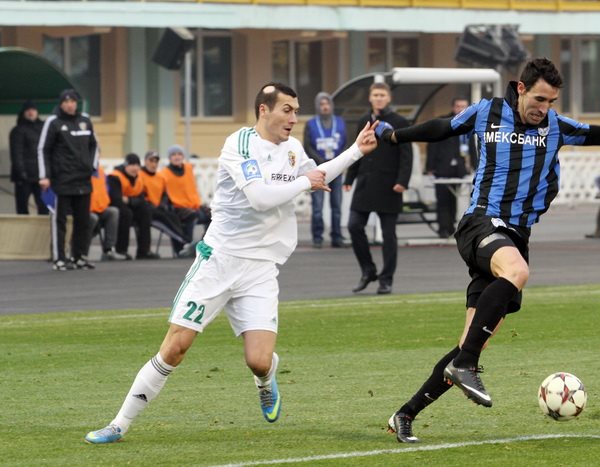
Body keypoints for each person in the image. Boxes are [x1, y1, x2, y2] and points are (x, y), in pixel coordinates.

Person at [84, 82, 379, 444]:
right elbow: (260, 198)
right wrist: (304, 182)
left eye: (296, 110)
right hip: (219, 261)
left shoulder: (292, 149)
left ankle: (265, 380)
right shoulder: (240, 144)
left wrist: (356, 151)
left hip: (261, 268)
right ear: (264, 110)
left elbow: (316, 175)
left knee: (259, 360)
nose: (293, 118)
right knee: (175, 348)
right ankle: (118, 424)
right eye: (287, 110)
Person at [374, 58, 600, 443]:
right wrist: (393, 136)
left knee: (471, 341)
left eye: (550, 101)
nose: (544, 108)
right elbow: (440, 128)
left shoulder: (555, 126)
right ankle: (467, 366)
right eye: (539, 99)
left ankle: (406, 413)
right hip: (481, 223)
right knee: (517, 274)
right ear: (521, 88)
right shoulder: (487, 112)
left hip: (516, 237)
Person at [343, 82, 412, 295]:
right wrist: (350, 177)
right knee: (354, 226)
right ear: (370, 98)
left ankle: (386, 279)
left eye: (382, 95)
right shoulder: (364, 120)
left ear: (388, 98)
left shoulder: (400, 122)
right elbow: (357, 149)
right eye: (375, 95)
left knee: (388, 235)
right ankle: (368, 270)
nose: (379, 98)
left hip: (390, 185)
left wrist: (402, 181)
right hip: (365, 183)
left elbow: (406, 154)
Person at [38, 89, 98, 271]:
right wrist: (44, 176)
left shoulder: (85, 120)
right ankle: (59, 258)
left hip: (83, 179)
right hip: (62, 179)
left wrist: (92, 167)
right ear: (61, 103)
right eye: (66, 101)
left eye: (73, 101)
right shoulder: (53, 122)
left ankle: (79, 257)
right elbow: (43, 149)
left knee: (83, 220)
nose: (70, 105)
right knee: (60, 221)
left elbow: (94, 145)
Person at [303, 92, 348, 248]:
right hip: (318, 170)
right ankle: (317, 238)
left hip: (336, 169)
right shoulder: (310, 124)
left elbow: (345, 144)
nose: (325, 107)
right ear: (317, 106)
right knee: (317, 206)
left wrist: (338, 162)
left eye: (327, 104)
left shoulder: (340, 122)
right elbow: (307, 146)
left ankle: (337, 237)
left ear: (331, 105)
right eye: (322, 104)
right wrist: (321, 161)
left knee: (336, 206)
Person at [426, 97, 470, 238]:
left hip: (459, 169)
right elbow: (432, 145)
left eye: (464, 106)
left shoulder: (468, 123)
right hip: (441, 168)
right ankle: (443, 228)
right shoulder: (443, 121)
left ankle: (451, 227)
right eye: (458, 106)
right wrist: (430, 167)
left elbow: (471, 146)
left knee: (453, 199)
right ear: (453, 107)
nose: (461, 109)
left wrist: (474, 166)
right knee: (443, 200)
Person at [140, 150, 194, 258]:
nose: (153, 164)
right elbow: (140, 194)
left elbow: (164, 195)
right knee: (166, 221)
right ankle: (186, 242)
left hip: (158, 208)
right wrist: (151, 205)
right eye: (151, 161)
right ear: (145, 162)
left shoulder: (159, 177)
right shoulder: (140, 176)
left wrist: (162, 204)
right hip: (147, 209)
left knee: (173, 216)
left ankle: (181, 249)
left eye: (155, 161)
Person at [108, 153, 160, 260]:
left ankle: (144, 251)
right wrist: (132, 201)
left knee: (145, 211)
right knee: (126, 213)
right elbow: (116, 199)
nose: (135, 168)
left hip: (131, 204)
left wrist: (129, 200)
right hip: (118, 207)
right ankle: (121, 250)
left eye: (137, 165)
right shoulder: (115, 177)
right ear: (126, 166)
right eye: (131, 165)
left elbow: (141, 198)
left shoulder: (139, 178)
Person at [160, 144, 212, 245]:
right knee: (191, 216)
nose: (177, 157)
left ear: (183, 156)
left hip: (194, 205)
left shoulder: (188, 168)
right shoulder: (164, 173)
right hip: (177, 207)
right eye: (173, 154)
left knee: (214, 214)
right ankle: (187, 245)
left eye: (179, 154)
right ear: (169, 157)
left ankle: (205, 243)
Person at [9, 100, 49, 215]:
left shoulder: (43, 128)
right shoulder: (18, 130)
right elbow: (16, 153)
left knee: (44, 208)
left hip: (40, 176)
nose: (31, 112)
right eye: (28, 110)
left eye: (33, 110)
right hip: (23, 177)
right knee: (22, 208)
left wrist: (47, 173)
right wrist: (21, 172)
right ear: (23, 113)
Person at [88, 164, 123, 261]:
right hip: (84, 209)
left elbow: (105, 190)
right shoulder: (82, 168)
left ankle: (109, 250)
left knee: (113, 212)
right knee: (92, 217)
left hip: (99, 207)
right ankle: (81, 252)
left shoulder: (100, 171)